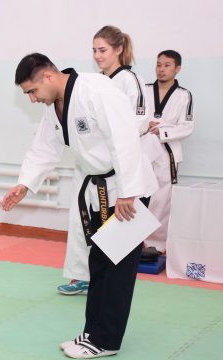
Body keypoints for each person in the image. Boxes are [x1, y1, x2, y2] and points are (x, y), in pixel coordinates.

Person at [3, 53, 157, 358]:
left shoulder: (96, 91)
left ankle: (106, 341)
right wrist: (25, 183)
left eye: (32, 91)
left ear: (48, 76)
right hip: (100, 189)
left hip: (126, 191)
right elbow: (44, 147)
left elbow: (124, 138)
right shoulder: (54, 106)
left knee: (116, 269)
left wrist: (128, 191)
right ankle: (92, 332)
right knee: (99, 263)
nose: (32, 100)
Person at [57, 25, 160, 295]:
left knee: (115, 232)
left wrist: (108, 138)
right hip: (96, 163)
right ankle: (85, 276)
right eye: (94, 50)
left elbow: (138, 122)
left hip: (122, 163)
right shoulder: (93, 82)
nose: (97, 55)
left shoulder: (130, 80)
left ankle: (103, 283)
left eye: (102, 50)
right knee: (84, 222)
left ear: (119, 49)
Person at [142, 50, 194, 256]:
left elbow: (187, 126)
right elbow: (130, 116)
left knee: (161, 200)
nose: (161, 69)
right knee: (138, 196)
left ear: (177, 68)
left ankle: (156, 245)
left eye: (167, 65)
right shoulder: (144, 90)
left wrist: (162, 130)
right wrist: (147, 125)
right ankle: (136, 243)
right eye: (158, 64)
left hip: (167, 153)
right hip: (143, 148)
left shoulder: (184, 95)